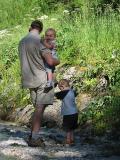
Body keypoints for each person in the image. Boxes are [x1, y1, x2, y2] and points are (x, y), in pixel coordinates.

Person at [18, 20, 60, 147]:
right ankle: (35, 138)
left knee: (37, 107)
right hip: (42, 79)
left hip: (29, 79)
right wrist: (58, 60)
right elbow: (50, 61)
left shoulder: (22, 42)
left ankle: (32, 135)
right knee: (40, 108)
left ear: (29, 28)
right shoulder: (40, 41)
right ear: (41, 30)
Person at [55, 79, 78, 145]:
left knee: (67, 128)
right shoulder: (73, 91)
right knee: (72, 128)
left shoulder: (64, 92)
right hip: (75, 113)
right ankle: (72, 139)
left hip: (68, 114)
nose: (60, 90)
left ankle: (68, 140)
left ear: (62, 86)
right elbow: (76, 93)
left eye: (60, 89)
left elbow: (56, 95)